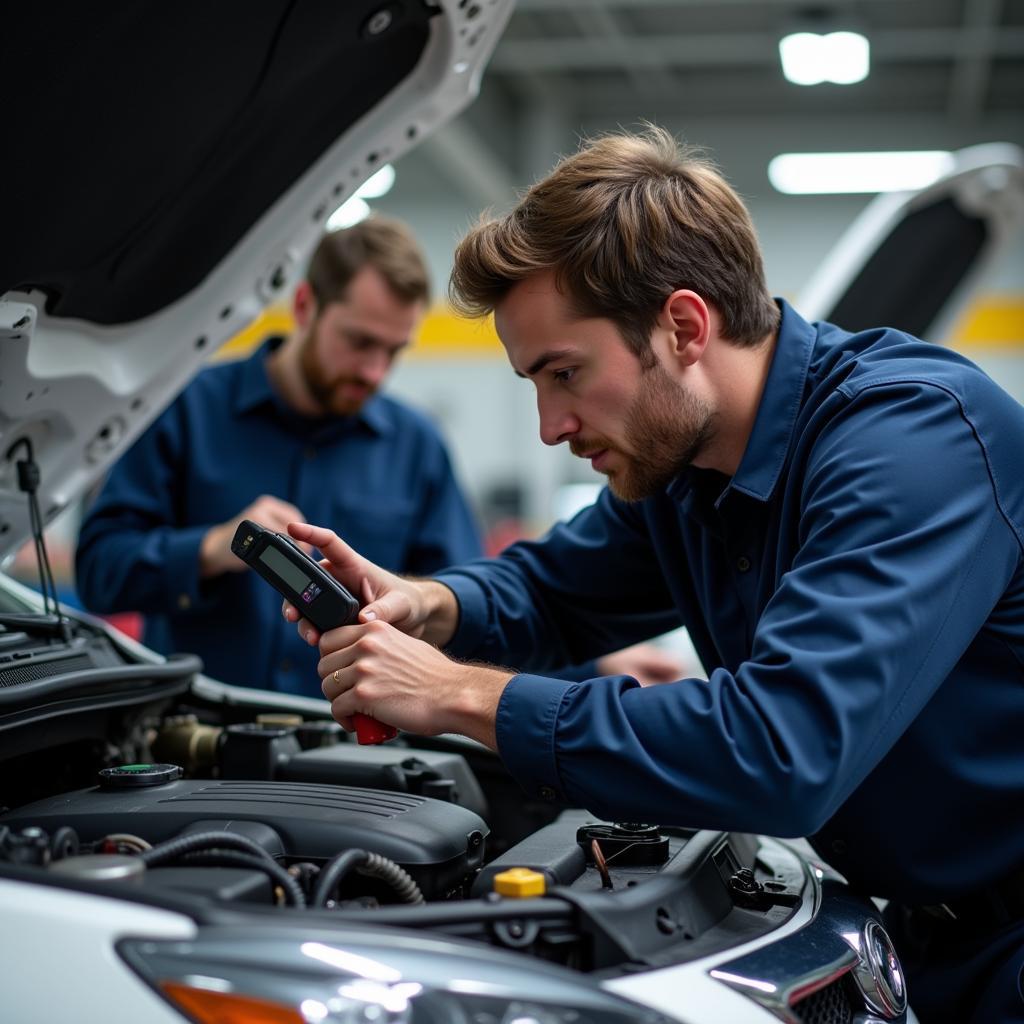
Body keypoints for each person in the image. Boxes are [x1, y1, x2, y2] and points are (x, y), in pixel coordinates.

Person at [283, 129, 1024, 1022]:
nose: (552, 424)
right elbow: (557, 589)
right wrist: (427, 606)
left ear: (682, 326)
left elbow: (780, 748)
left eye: (566, 373)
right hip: (927, 936)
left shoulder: (914, 441)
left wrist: (459, 696)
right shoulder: (685, 469)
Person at [75, 215, 682, 697]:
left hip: (353, 761)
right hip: (197, 741)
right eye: (359, 342)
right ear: (308, 306)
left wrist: (594, 664)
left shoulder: (415, 445)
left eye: (392, 351)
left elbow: (467, 607)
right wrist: (211, 549)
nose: (373, 371)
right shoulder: (185, 410)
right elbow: (99, 572)